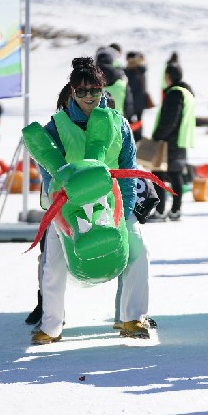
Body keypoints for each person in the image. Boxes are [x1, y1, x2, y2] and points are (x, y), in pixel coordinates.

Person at [30, 57, 151, 344]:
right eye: (81, 91)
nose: (88, 97)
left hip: (113, 201)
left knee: (138, 252)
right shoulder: (56, 126)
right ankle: (51, 326)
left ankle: (132, 318)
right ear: (71, 91)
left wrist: (127, 210)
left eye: (94, 90)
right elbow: (49, 171)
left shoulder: (118, 124)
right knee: (53, 264)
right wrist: (58, 211)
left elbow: (127, 165)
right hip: (68, 205)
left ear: (102, 89)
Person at [148, 63, 195, 222]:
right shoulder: (187, 93)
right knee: (175, 175)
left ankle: (160, 211)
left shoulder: (175, 93)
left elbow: (170, 120)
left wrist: (157, 136)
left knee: (158, 174)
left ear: (168, 76)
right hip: (181, 140)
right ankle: (175, 210)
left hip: (169, 141)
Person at [95, 46, 134, 121]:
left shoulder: (89, 82)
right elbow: (128, 108)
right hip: (118, 122)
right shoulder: (122, 82)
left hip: (96, 123)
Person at [124, 51, 150, 141]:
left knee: (131, 123)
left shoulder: (130, 71)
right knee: (138, 122)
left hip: (132, 102)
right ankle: (138, 140)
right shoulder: (141, 69)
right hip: (141, 102)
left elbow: (130, 87)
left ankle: (134, 141)